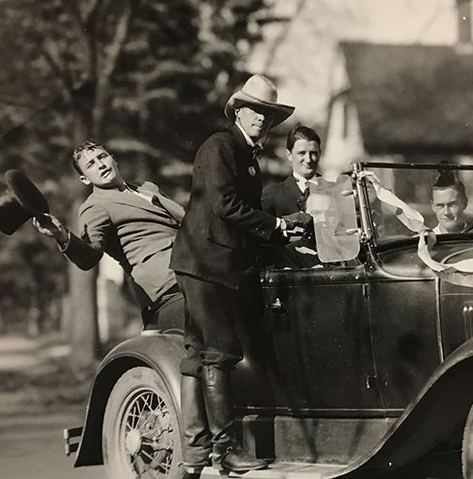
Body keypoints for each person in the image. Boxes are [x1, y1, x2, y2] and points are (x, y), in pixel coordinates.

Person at [169, 74, 309, 477]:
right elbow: (225, 206)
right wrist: (280, 227)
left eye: (267, 114)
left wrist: (280, 233)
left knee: (198, 356)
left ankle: (196, 454)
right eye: (255, 111)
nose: (261, 119)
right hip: (205, 264)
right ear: (238, 111)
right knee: (220, 351)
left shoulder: (245, 153)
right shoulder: (220, 146)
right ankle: (224, 452)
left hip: (216, 263)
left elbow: (241, 219)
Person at [32, 140, 185, 330]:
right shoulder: (95, 206)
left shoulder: (148, 187)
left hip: (198, 265)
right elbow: (90, 255)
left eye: (102, 157)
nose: (100, 165)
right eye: (91, 164)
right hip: (167, 283)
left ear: (114, 160)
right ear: (85, 179)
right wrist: (62, 235)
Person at [261, 125, 321, 223]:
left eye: (313, 153)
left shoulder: (333, 190)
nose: (308, 160)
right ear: (289, 155)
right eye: (302, 153)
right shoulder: (272, 194)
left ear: (320, 154)